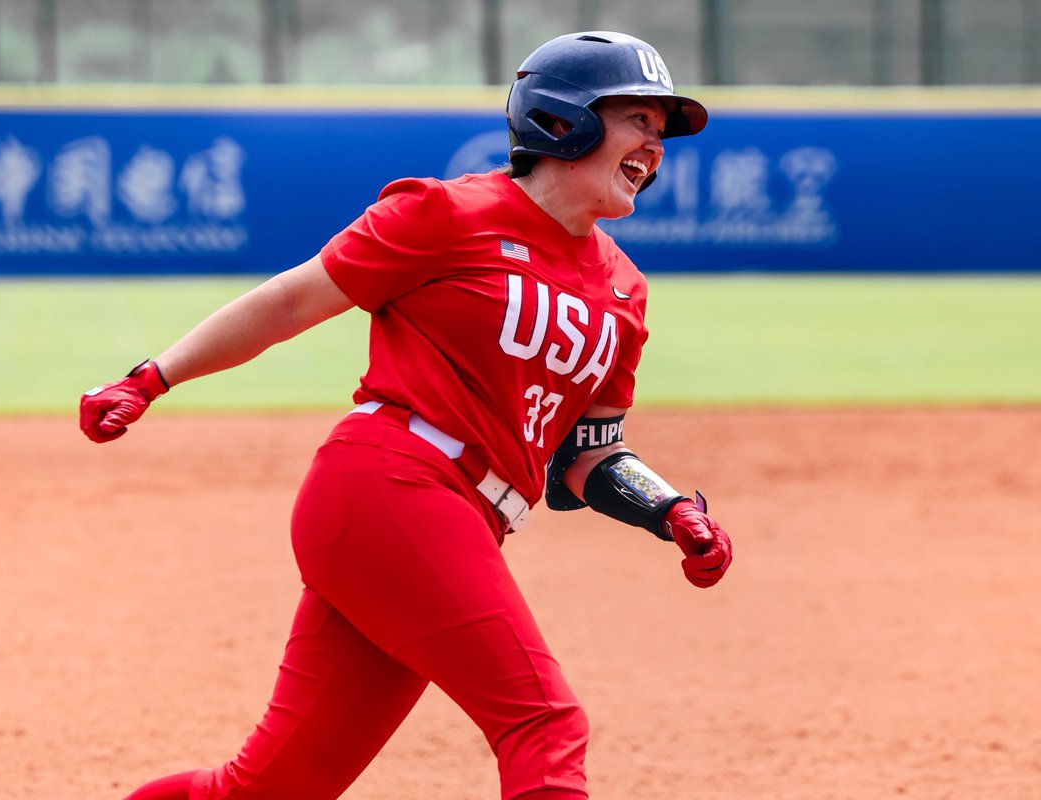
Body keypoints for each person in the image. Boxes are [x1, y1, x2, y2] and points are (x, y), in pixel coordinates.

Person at [80, 30, 733, 800]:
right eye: (638, 120)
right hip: (393, 484)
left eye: (661, 132)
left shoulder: (624, 290)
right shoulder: (447, 213)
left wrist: (670, 510)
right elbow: (290, 302)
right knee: (544, 723)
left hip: (462, 521)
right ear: (563, 121)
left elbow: (588, 454)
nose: (654, 146)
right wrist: (152, 379)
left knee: (269, 789)